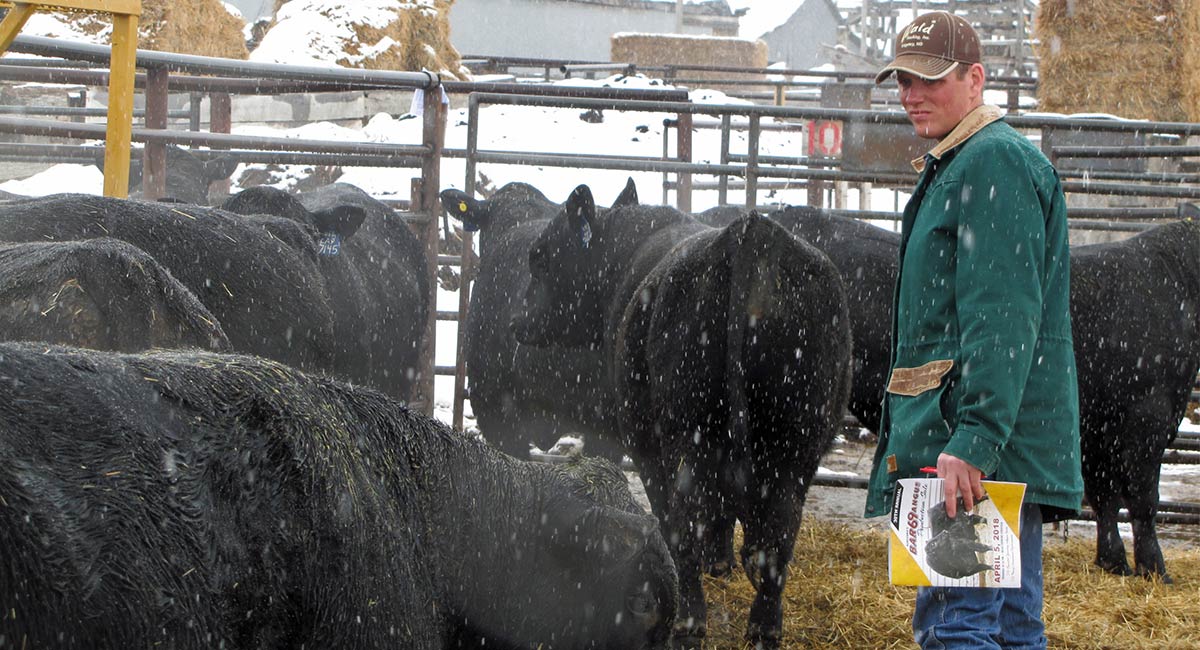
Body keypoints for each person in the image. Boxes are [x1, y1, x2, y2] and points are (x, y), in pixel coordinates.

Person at [862, 10, 1084, 649]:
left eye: (930, 80)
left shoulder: (989, 164)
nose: (911, 95)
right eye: (903, 81)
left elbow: (1003, 316)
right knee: (1009, 626)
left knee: (958, 625)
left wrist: (974, 439)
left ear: (976, 78)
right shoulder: (970, 161)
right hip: (987, 446)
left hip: (968, 453)